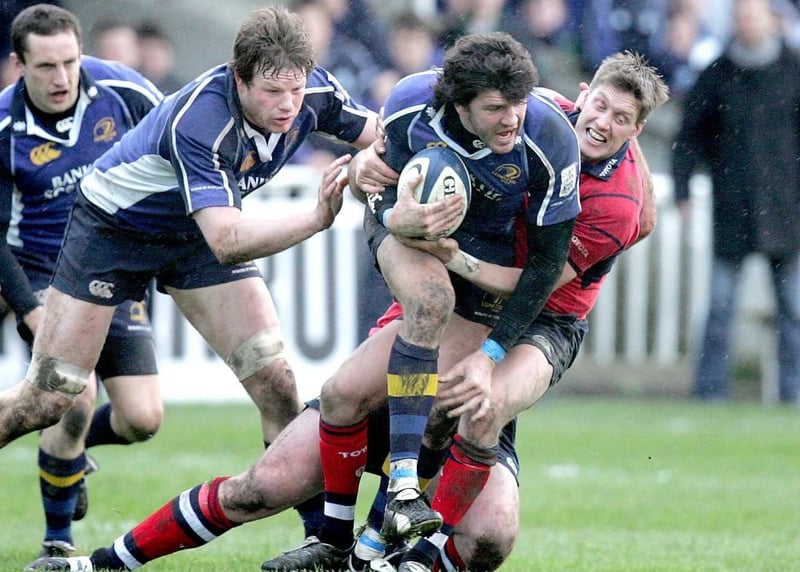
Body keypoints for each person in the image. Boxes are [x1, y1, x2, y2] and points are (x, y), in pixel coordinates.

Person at [27, 51, 669, 572]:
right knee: (277, 469)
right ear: (581, 93)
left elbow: (529, 279)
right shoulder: (484, 106)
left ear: (638, 130)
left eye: (624, 118)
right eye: (601, 105)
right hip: (452, 302)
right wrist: (396, 213)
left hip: (531, 316)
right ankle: (110, 564)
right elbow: (370, 171)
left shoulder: (603, 189)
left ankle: (377, 551)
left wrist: (463, 281)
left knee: (490, 522)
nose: (603, 122)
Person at [0, 4, 387, 462]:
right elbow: (226, 242)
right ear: (239, 79)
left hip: (193, 232)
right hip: (113, 232)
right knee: (49, 398)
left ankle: (321, 532)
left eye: (296, 89)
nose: (288, 105)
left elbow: (383, 136)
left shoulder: (314, 90)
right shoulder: (201, 120)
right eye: (271, 91)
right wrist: (315, 218)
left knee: (276, 381)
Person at [265, 31, 583, 570]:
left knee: (353, 396)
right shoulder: (411, 105)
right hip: (405, 233)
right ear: (459, 106)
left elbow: (546, 267)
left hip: (482, 287)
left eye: (520, 104)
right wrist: (392, 212)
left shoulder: (551, 141)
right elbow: (371, 183)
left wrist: (494, 354)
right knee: (267, 483)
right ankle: (382, 508)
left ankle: (363, 541)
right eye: (496, 108)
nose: (513, 119)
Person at [0, 3, 164, 560]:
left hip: (113, 270)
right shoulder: (4, 128)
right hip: (42, 272)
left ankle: (69, 459)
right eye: (45, 66)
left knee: (143, 419)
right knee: (71, 393)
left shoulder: (124, 90)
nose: (62, 77)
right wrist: (29, 308)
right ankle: (58, 541)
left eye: (70, 61)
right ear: (18, 65)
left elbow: (178, 147)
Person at [672, 0, 800, 403]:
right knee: (720, 308)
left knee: (793, 311)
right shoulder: (716, 74)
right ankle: (709, 391)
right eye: (742, 16)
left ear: (770, 21)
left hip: (787, 209)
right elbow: (689, 136)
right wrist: (682, 188)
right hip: (734, 207)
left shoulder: (793, 70)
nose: (747, 23)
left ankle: (793, 393)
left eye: (754, 15)